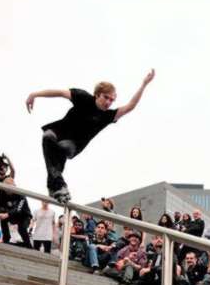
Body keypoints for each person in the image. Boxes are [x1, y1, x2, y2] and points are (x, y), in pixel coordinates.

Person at [25, 69, 155, 203]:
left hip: (74, 144)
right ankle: (55, 186)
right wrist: (34, 94)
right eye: (106, 97)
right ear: (97, 95)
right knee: (47, 136)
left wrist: (144, 85)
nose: (108, 103)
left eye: (112, 100)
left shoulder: (107, 116)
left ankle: (56, 185)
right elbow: (60, 93)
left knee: (63, 147)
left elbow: (130, 106)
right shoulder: (83, 97)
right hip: (60, 131)